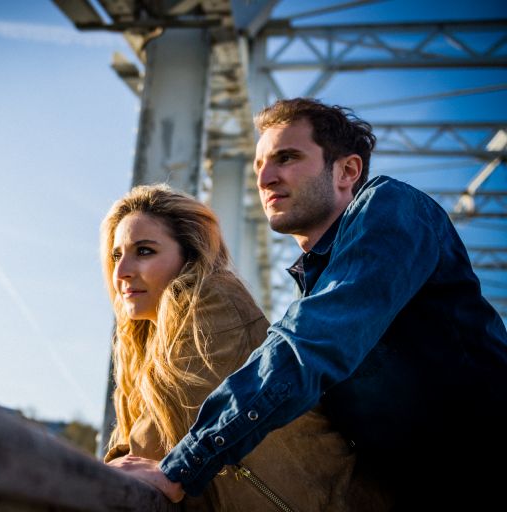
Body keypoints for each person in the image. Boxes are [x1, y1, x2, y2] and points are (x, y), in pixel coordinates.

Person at [111, 98, 507, 509]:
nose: (264, 178)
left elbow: (308, 344)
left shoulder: (393, 210)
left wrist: (183, 466)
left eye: (287, 157)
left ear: (347, 171)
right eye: (259, 165)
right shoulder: (315, 286)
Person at [100, 184, 391, 511]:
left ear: (189, 257)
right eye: (116, 254)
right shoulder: (149, 345)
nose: (122, 272)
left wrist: (103, 469)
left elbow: (156, 443)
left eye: (144, 251)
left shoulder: (213, 302)